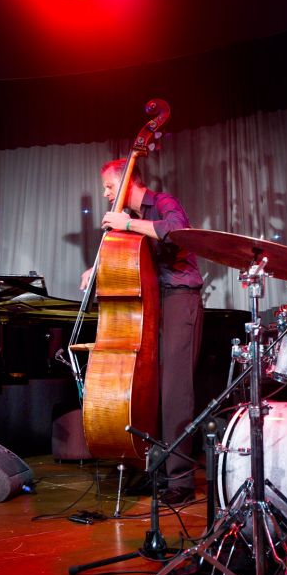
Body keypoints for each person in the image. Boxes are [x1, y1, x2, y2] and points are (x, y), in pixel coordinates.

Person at [80, 159, 204, 505]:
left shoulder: (162, 202)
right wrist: (96, 268)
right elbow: (125, 254)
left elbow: (177, 230)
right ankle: (156, 472)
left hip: (179, 297)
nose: (105, 194)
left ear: (126, 183)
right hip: (151, 301)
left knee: (175, 392)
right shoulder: (127, 221)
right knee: (149, 389)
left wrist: (130, 223)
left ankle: (180, 481)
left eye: (108, 186)